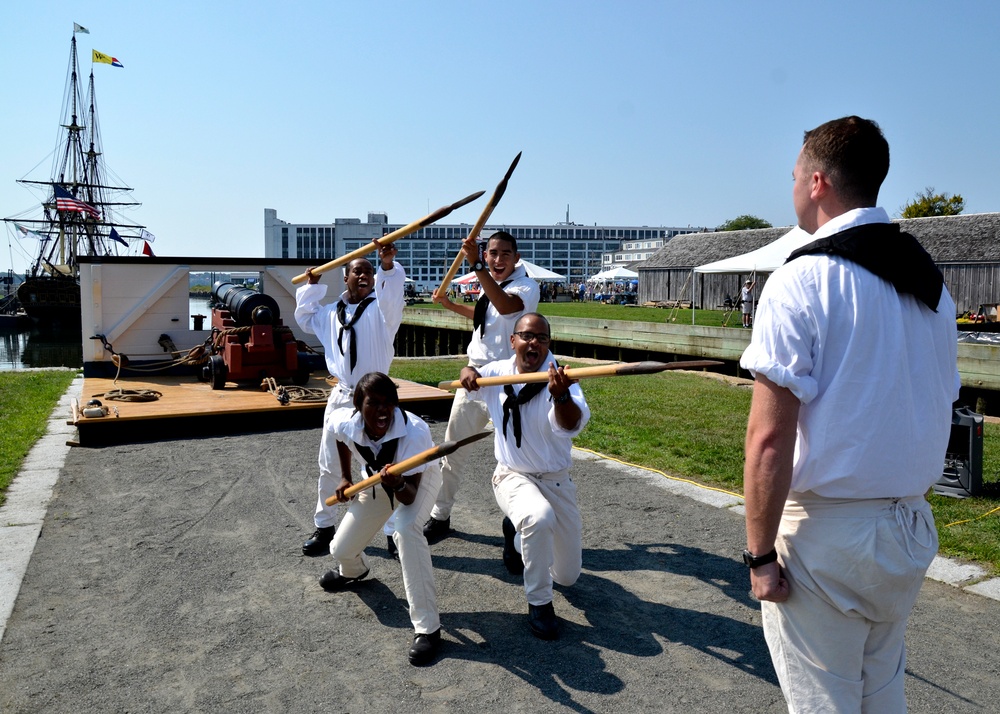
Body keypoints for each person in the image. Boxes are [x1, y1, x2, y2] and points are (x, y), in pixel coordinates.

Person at [740, 116, 960, 712]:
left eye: (792, 177)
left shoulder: (802, 279)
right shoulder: (935, 290)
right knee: (881, 691)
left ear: (817, 182)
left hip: (829, 537)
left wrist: (759, 556)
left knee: (824, 703)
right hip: (907, 528)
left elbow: (768, 440)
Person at [460, 312, 590, 640]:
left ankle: (515, 535)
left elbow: (570, 425)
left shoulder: (562, 379)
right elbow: (473, 373)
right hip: (511, 475)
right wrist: (467, 371)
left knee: (567, 576)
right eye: (527, 336)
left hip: (556, 479)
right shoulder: (498, 372)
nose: (534, 343)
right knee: (537, 517)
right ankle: (539, 603)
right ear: (513, 341)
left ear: (548, 343)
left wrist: (560, 395)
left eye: (541, 338)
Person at [320, 372, 443, 666]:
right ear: (358, 406)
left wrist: (398, 483)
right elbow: (340, 437)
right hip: (375, 480)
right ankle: (354, 570)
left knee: (405, 529)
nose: (382, 410)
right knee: (339, 550)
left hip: (417, 481)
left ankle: (428, 629)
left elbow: (410, 495)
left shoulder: (415, 432)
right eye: (373, 403)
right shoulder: (345, 421)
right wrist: (346, 477)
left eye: (389, 403)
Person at [423, 230, 540, 541]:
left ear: (517, 258)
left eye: (504, 253)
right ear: (486, 255)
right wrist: (449, 304)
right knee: (452, 450)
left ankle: (516, 526)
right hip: (473, 378)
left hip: (508, 384)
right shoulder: (488, 286)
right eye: (492, 253)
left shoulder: (527, 286)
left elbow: (506, 308)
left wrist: (476, 266)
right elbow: (484, 317)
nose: (498, 259)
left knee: (514, 459)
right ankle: (440, 514)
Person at [295, 241, 406, 557]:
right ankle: (325, 526)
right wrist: (312, 286)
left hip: (377, 400)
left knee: (382, 467)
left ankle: (392, 533)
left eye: (369, 272)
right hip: (343, 396)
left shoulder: (382, 312)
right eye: (358, 270)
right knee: (329, 463)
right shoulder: (331, 314)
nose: (365, 276)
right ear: (345, 277)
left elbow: (392, 294)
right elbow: (305, 316)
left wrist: (386, 265)